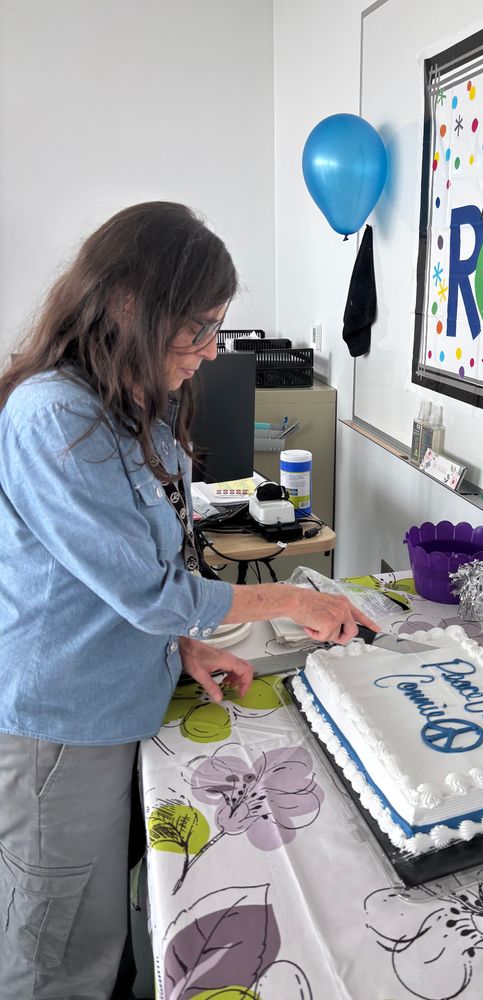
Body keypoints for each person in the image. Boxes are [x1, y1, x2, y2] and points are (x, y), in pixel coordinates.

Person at [0, 201, 378, 999]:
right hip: (62, 719)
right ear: (130, 305)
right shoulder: (54, 417)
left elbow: (136, 562)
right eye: (199, 331)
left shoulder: (135, 402)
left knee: (114, 916)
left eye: (218, 331)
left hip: (118, 698)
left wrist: (185, 645)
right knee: (59, 944)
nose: (209, 354)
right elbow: (145, 590)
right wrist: (284, 602)